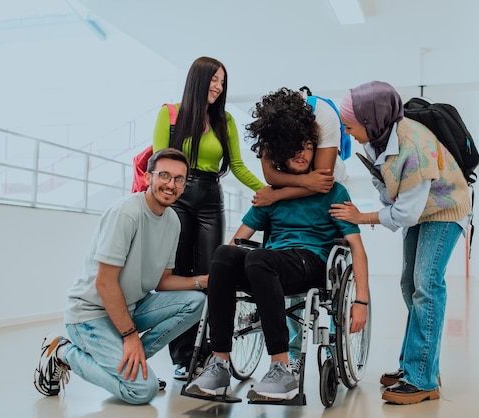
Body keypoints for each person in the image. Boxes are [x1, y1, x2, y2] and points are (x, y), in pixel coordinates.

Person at [184, 95, 369, 402]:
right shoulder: (273, 195)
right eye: (295, 147)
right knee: (224, 254)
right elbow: (237, 240)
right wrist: (218, 274)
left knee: (259, 259)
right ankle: (219, 364)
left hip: (310, 263)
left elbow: (356, 248)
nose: (302, 153)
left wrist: (360, 300)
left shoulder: (334, 191)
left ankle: (281, 368)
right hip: (268, 265)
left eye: (309, 146)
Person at [330, 80, 471, 405]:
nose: (348, 134)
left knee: (426, 284)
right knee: (410, 285)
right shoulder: (376, 139)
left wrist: (361, 217)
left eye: (350, 127)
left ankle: (422, 378)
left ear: (369, 120)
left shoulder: (414, 146)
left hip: (446, 209)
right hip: (423, 209)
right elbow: (390, 188)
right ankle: (417, 365)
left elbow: (405, 213)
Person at [33, 148, 207, 405]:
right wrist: (130, 336)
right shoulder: (127, 213)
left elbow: (162, 282)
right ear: (148, 178)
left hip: (132, 307)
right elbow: (104, 282)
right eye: (165, 176)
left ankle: (131, 368)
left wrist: (202, 282)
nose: (171, 184)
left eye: (179, 179)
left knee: (196, 302)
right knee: (142, 392)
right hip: (90, 315)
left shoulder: (172, 221)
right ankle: (62, 351)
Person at [152, 56, 265, 380]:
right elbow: (161, 162)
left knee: (209, 274)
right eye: (214, 79)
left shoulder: (225, 120)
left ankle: (209, 353)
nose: (218, 86)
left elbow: (239, 167)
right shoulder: (169, 114)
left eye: (222, 81)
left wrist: (271, 190)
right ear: (198, 80)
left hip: (211, 199)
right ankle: (183, 356)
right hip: (177, 197)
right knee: (176, 275)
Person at [249, 87, 349, 377]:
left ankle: (331, 337)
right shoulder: (269, 127)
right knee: (285, 257)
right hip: (293, 184)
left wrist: (276, 195)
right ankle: (292, 351)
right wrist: (287, 186)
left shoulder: (324, 117)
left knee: (325, 258)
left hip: (327, 190)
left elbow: (323, 183)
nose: (297, 151)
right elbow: (270, 177)